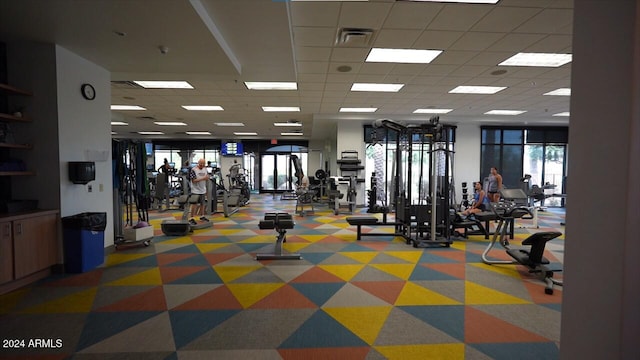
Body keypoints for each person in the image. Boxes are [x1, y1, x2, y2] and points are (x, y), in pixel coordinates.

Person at [189, 158, 209, 224]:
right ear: (198, 163)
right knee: (194, 204)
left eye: (203, 164)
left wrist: (206, 190)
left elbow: (207, 178)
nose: (202, 165)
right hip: (195, 190)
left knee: (203, 204)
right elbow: (193, 181)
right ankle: (191, 218)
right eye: (201, 163)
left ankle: (202, 216)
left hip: (203, 189)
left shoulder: (205, 169)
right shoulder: (193, 170)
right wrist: (203, 178)